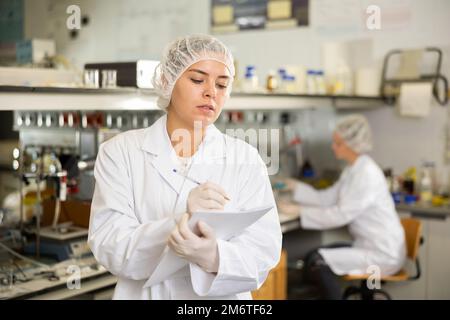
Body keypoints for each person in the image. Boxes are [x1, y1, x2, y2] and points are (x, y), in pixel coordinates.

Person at [88, 34, 282, 300]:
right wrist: (181, 225)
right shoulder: (120, 153)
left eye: (222, 84)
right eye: (197, 80)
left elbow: (264, 251)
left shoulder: (245, 158)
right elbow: (110, 247)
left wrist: (213, 256)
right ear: (167, 81)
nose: (211, 92)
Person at [278, 114, 406, 300]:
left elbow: (340, 215)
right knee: (314, 255)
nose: (333, 147)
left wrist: (300, 211)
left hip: (382, 253)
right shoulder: (353, 169)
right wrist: (296, 187)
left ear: (353, 144)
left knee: (317, 262)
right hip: (370, 245)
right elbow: (326, 198)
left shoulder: (366, 174)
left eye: (338, 143)